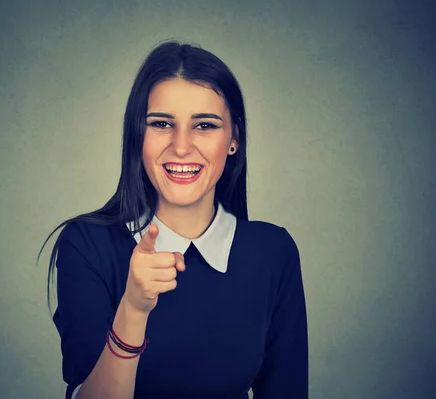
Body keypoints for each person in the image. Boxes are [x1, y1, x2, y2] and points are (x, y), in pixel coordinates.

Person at [39, 41, 308, 399]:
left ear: (234, 139)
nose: (181, 147)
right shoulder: (87, 246)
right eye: (162, 123)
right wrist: (133, 309)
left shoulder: (273, 253)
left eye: (205, 126)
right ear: (139, 136)